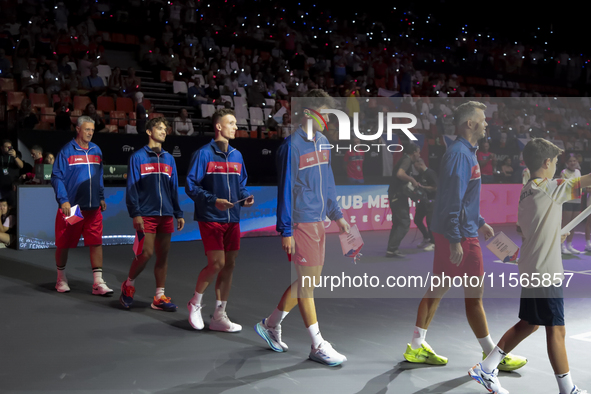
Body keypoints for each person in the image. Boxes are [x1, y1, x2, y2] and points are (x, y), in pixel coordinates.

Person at [403, 101, 527, 371]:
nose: (486, 124)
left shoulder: (465, 152)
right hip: (459, 235)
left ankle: (415, 345)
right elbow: (450, 200)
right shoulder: (460, 154)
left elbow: (463, 198)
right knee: (474, 297)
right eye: (482, 120)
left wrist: (480, 221)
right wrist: (456, 239)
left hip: (457, 230)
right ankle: (492, 355)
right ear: (469, 123)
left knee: (437, 289)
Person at [469, 138, 591, 394]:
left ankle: (487, 367)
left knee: (529, 323)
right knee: (556, 329)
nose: (557, 166)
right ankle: (568, 389)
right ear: (547, 162)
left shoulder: (527, 190)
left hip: (532, 267)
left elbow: (526, 229)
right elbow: (586, 181)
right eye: (556, 162)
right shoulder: (551, 187)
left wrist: (553, 234)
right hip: (545, 271)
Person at [254, 89, 351, 366]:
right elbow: (284, 190)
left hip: (319, 220)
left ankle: (270, 324)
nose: (327, 120)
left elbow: (328, 182)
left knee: (309, 282)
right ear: (309, 112)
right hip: (300, 222)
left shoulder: (322, 142)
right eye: (324, 112)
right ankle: (318, 344)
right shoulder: (291, 147)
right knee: (308, 284)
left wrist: (337, 214)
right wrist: (285, 230)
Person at [185, 108, 254, 332]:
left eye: (235, 124)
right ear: (218, 127)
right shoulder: (204, 154)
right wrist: (213, 200)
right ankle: (195, 303)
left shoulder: (237, 155)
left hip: (233, 218)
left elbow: (240, 184)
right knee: (217, 263)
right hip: (211, 216)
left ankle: (219, 315)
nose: (235, 127)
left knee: (229, 265)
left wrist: (244, 197)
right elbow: (191, 186)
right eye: (231, 123)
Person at [120, 117, 185, 311]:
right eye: (159, 128)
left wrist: (178, 212)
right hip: (145, 215)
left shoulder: (169, 159)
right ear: (149, 132)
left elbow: (173, 188)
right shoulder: (138, 157)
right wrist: (135, 213)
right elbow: (132, 188)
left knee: (162, 256)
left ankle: (159, 296)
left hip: (165, 215)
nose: (164, 132)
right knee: (145, 252)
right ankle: (128, 285)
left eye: (165, 129)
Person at [50, 116, 113, 295]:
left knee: (96, 242)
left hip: (93, 208)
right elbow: (56, 177)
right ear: (78, 129)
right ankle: (61, 279)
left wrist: (101, 197)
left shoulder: (96, 150)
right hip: (74, 209)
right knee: (64, 243)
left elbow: (99, 175)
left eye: (92, 130)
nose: (90, 133)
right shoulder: (67, 151)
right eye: (87, 130)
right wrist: (63, 200)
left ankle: (98, 283)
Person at [386, 142, 422, 258]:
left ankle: (391, 249)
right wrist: (411, 179)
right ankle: (392, 248)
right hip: (398, 196)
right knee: (404, 222)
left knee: (397, 223)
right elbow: (400, 174)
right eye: (418, 152)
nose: (419, 155)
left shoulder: (405, 160)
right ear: (414, 152)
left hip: (395, 195)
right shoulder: (406, 160)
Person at [413, 158, 437, 251]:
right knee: (417, 219)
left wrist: (423, 187)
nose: (415, 169)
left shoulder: (430, 173)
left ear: (420, 164)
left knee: (430, 222)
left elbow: (435, 187)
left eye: (416, 167)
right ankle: (426, 237)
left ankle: (433, 242)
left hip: (432, 201)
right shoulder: (420, 175)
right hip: (423, 201)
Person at [560, 154, 582, 254]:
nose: (573, 163)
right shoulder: (564, 172)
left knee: (573, 224)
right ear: (567, 163)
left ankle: (569, 245)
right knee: (566, 224)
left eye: (574, 161)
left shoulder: (578, 172)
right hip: (568, 200)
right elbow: (562, 186)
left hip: (577, 200)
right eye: (570, 161)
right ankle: (561, 245)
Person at [0, 140, 24, 206]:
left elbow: (21, 166)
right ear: (2, 148)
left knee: (13, 205)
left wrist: (15, 156)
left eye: (10, 147)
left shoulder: (16, 155)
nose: (9, 148)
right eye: (7, 147)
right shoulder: (1, 157)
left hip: (12, 187)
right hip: (2, 186)